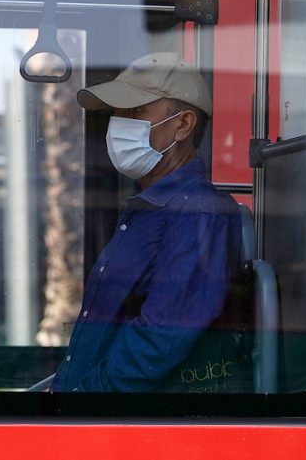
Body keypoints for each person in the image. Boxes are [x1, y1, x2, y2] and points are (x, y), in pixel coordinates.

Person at [50, 52, 242, 392]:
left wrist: (83, 398)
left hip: (129, 418)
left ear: (183, 125)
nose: (118, 122)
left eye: (136, 110)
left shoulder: (197, 212)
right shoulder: (149, 206)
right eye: (117, 111)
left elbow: (159, 340)